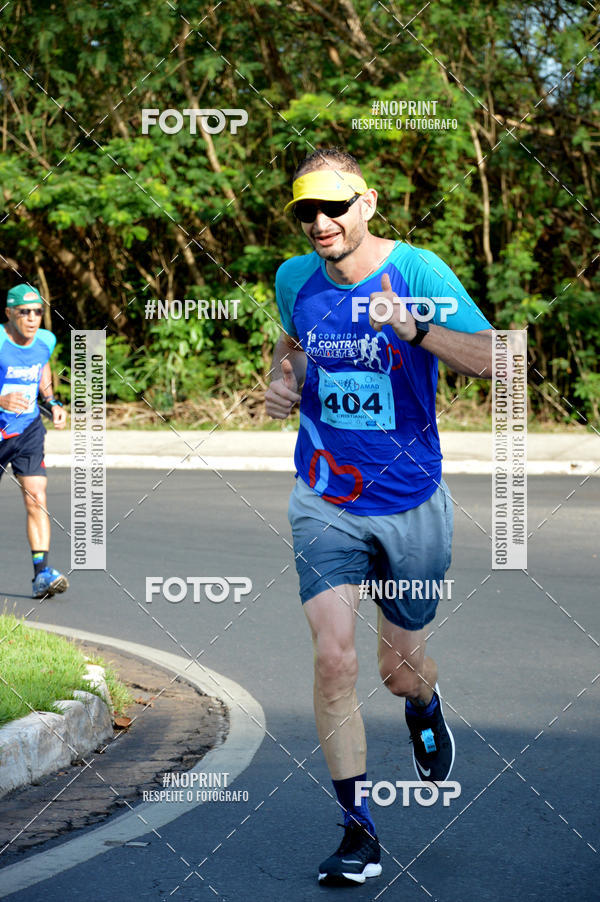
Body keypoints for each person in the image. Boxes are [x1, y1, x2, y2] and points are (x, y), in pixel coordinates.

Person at [265, 148, 493, 885]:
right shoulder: (294, 278)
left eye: (334, 207)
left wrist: (417, 331)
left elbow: (498, 359)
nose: (321, 222)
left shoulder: (418, 273)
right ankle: (357, 833)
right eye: (307, 211)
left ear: (366, 203)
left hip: (411, 500)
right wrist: (281, 381)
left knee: (399, 673)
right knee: (334, 660)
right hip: (324, 495)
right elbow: (292, 346)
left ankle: (425, 705)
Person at [0, 283, 69, 598]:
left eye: (37, 312)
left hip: (28, 429)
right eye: (24, 312)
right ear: (9, 313)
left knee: (36, 496)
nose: (31, 318)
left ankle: (42, 573)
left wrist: (51, 402)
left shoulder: (45, 340)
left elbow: (42, 368)